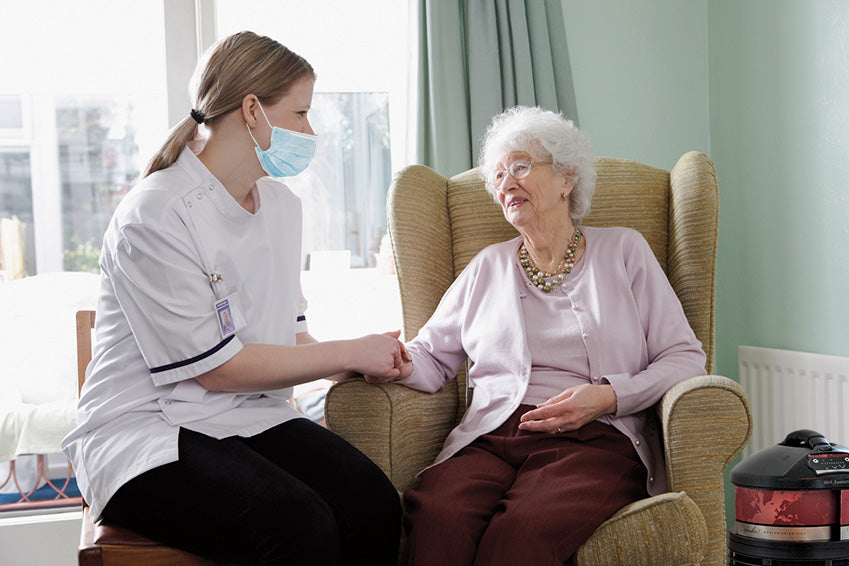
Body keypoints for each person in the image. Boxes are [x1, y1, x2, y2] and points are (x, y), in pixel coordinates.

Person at [62, 31, 403, 566]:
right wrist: (347, 351)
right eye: (301, 113)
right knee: (298, 526)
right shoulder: (156, 213)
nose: (310, 131)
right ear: (251, 110)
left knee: (374, 505)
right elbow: (216, 370)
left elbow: (287, 335)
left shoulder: (280, 207)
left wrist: (355, 364)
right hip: (145, 433)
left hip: (242, 415)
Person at [365, 106, 707, 565]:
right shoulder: (487, 266)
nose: (506, 183)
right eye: (498, 175)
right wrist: (396, 360)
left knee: (521, 535)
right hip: (493, 434)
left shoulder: (624, 251)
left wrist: (607, 398)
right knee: (437, 516)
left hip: (593, 437)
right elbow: (431, 357)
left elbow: (685, 357)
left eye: (520, 167)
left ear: (566, 179)